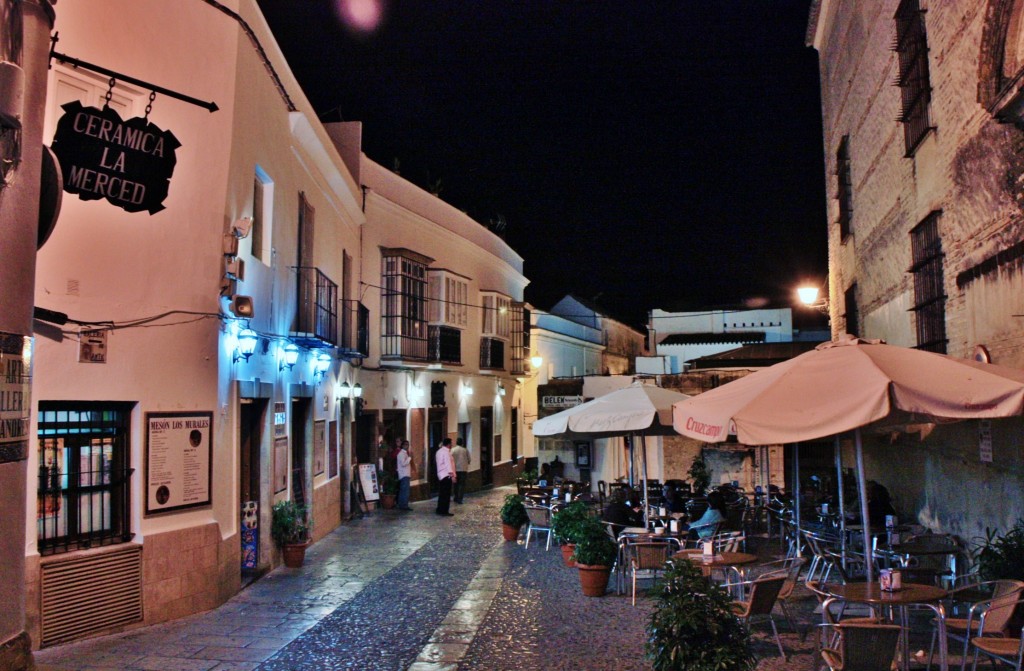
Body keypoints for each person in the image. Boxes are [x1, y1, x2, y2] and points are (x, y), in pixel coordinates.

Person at [435, 438, 455, 516]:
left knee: (442, 493)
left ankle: (439, 509)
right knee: (446, 494)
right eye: (451, 443)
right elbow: (448, 464)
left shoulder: (438, 451)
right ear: (449, 444)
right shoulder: (446, 452)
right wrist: (452, 475)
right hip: (446, 475)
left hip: (440, 474)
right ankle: (444, 510)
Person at [451, 437, 470, 504]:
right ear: (462, 443)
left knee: (455, 484)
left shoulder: (453, 450)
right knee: (461, 485)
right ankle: (460, 499)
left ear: (456, 442)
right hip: (463, 470)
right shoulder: (465, 450)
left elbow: (450, 459)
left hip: (455, 470)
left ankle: (455, 497)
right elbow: (469, 460)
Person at [396, 440, 412, 511]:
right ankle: (403, 505)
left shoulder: (405, 453)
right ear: (402, 445)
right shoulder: (401, 454)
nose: (407, 446)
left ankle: (404, 505)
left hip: (406, 474)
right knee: (404, 491)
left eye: (408, 444)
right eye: (405, 444)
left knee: (405, 491)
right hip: (404, 475)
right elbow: (403, 464)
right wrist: (409, 458)